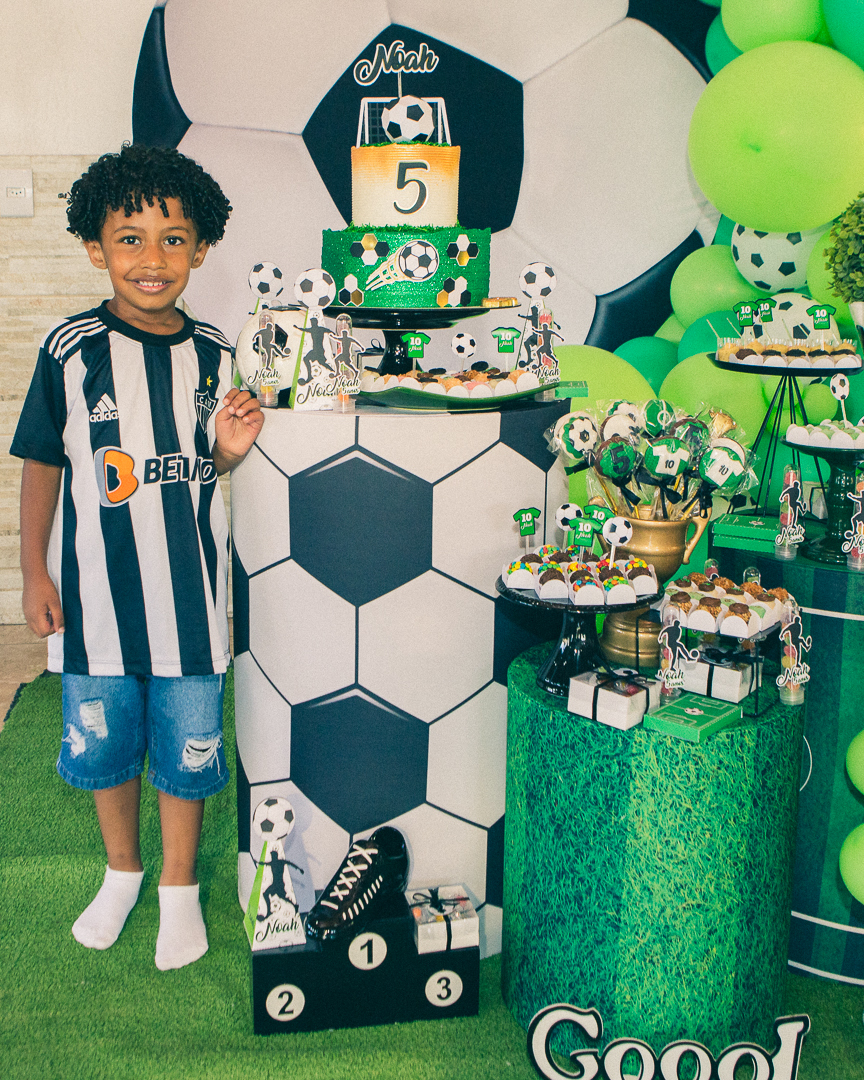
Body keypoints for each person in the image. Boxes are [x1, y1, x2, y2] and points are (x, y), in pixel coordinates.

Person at [10, 144, 263, 970]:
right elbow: (41, 463)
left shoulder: (217, 353)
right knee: (108, 749)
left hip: (191, 605)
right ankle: (122, 871)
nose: (152, 259)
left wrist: (228, 452)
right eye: (130, 238)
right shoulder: (71, 349)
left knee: (188, 752)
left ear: (201, 249)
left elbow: (207, 467)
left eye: (173, 239)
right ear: (96, 248)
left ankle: (178, 888)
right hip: (97, 606)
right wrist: (34, 572)